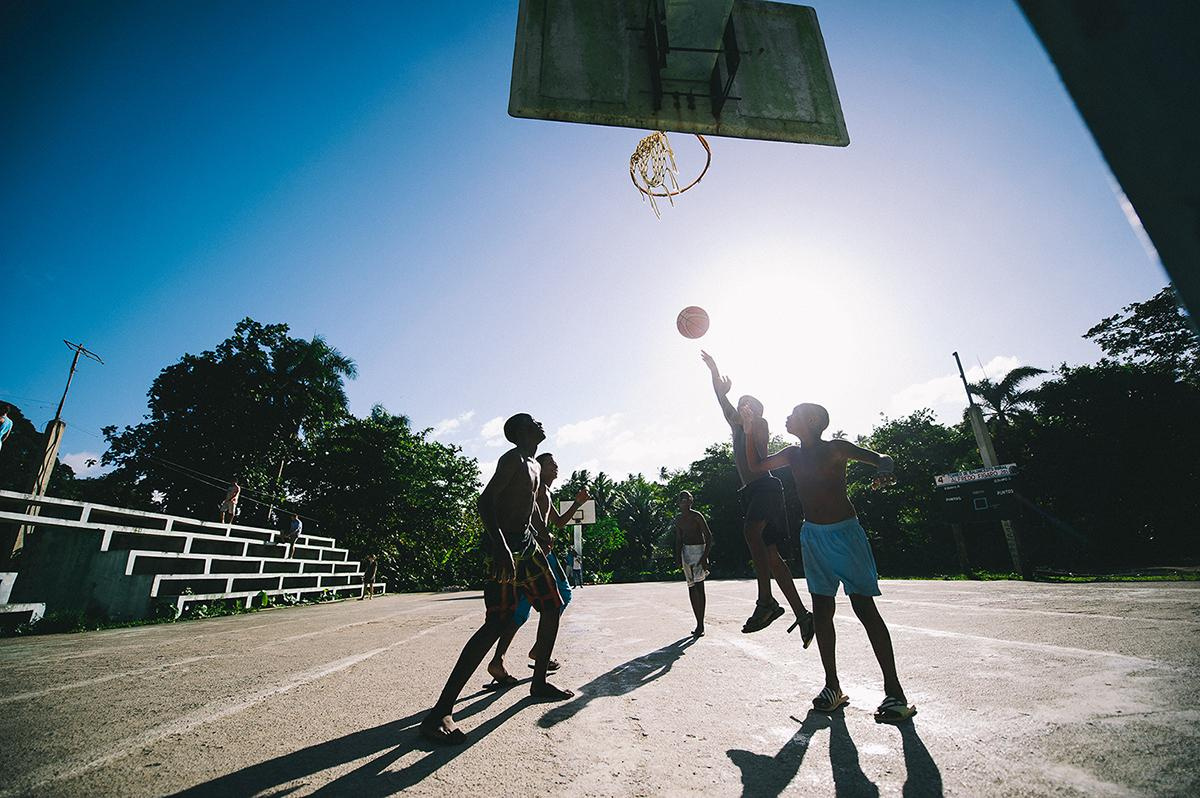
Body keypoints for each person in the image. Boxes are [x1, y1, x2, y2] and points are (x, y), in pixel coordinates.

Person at [739, 401, 915, 723]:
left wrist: (885, 471)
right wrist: (749, 432)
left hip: (845, 536)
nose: (787, 418)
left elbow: (882, 458)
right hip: (813, 537)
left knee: (864, 608)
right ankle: (832, 686)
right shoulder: (792, 454)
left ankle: (895, 691)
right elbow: (755, 466)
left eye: (793, 414)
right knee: (822, 611)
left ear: (812, 420)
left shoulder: (836, 449)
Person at [420, 413, 573, 744]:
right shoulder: (512, 459)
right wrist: (501, 547)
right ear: (520, 432)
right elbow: (485, 501)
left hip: (528, 545)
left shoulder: (534, 465)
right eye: (533, 421)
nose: (541, 423)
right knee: (497, 623)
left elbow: (529, 508)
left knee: (552, 605)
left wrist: (541, 534)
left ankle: (538, 682)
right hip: (504, 547)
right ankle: (439, 713)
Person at [700, 351, 815, 644]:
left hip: (765, 486)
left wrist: (751, 426)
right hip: (750, 492)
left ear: (758, 410)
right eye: (740, 404)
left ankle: (766, 601)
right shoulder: (737, 426)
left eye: (748, 404)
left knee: (752, 532)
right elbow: (721, 400)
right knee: (772, 556)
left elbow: (758, 458)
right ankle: (802, 614)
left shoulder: (759, 425)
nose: (742, 406)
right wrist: (715, 370)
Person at [485, 452, 588, 686]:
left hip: (538, 552)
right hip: (534, 553)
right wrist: (542, 534)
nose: (556, 466)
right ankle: (537, 653)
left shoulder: (546, 492)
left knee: (521, 610)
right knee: (558, 598)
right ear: (540, 467)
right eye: (552, 463)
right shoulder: (537, 487)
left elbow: (559, 522)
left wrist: (578, 504)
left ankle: (502, 660)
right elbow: (528, 515)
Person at [673, 491, 713, 637]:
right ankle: (697, 622)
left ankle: (701, 624)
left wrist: (704, 557)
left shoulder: (697, 516)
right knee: (691, 587)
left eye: (687, 499)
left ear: (691, 501)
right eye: (682, 499)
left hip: (699, 551)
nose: (685, 502)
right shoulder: (678, 519)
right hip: (686, 552)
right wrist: (677, 557)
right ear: (679, 503)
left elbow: (708, 536)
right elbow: (678, 539)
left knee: (700, 587)